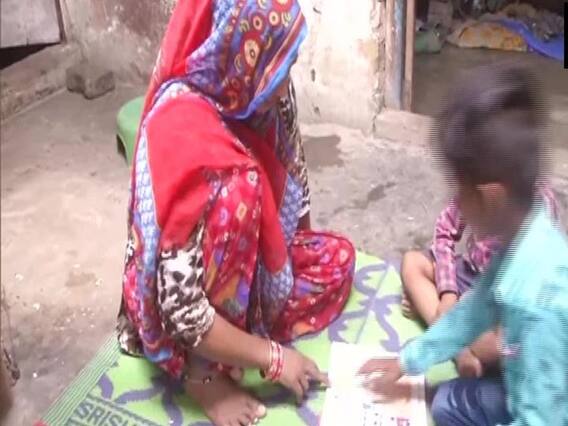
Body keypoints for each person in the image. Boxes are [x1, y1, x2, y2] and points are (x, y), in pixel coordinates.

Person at [116, 1, 355, 425]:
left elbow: (295, 175)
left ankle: (237, 336)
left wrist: (286, 260)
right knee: (239, 188)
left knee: (337, 259)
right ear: (240, 53)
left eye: (289, 64)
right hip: (176, 309)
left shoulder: (263, 85)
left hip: (242, 273)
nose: (284, 83)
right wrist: (275, 358)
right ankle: (201, 373)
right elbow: (180, 308)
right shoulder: (179, 127)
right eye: (278, 69)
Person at [360, 64, 568, 426]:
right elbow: (472, 313)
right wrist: (407, 360)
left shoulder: (539, 307)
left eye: (459, 190)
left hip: (548, 406)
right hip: (527, 383)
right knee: (445, 405)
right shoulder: (521, 237)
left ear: (489, 197)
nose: (454, 201)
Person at [401, 183, 557, 378]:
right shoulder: (474, 183)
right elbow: (444, 234)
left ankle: (442, 326)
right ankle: (459, 352)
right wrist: (447, 293)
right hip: (470, 272)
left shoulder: (535, 205)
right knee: (413, 263)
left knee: (504, 347)